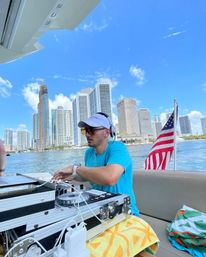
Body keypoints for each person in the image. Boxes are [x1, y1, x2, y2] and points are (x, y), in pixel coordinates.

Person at [52, 112, 139, 216]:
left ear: (107, 132)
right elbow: (89, 176)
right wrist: (73, 176)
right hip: (100, 210)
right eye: (85, 130)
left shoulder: (118, 147)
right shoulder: (89, 152)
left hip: (125, 213)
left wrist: (76, 168)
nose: (87, 134)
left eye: (92, 130)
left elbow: (110, 178)